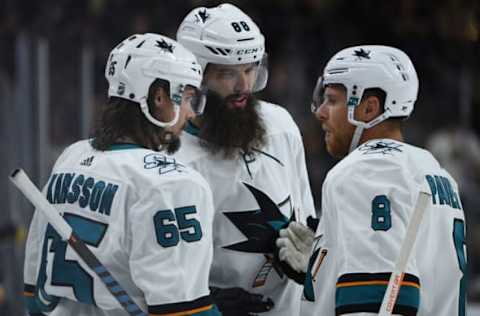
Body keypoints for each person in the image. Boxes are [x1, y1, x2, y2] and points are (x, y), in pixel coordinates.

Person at [22, 33, 220, 316]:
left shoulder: (71, 158)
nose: (190, 113)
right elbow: (183, 312)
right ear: (159, 96)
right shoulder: (173, 184)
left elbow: (35, 297)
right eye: (188, 98)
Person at [277, 45, 468, 315]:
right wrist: (326, 267)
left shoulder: (366, 170)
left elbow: (380, 300)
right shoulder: (438, 173)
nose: (320, 112)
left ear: (369, 108)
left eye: (332, 100)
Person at [174, 3, 316, 316]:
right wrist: (201, 302)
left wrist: (310, 264)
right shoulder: (171, 157)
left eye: (250, 69)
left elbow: (306, 224)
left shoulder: (281, 127)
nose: (244, 87)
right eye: (227, 74)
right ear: (193, 76)